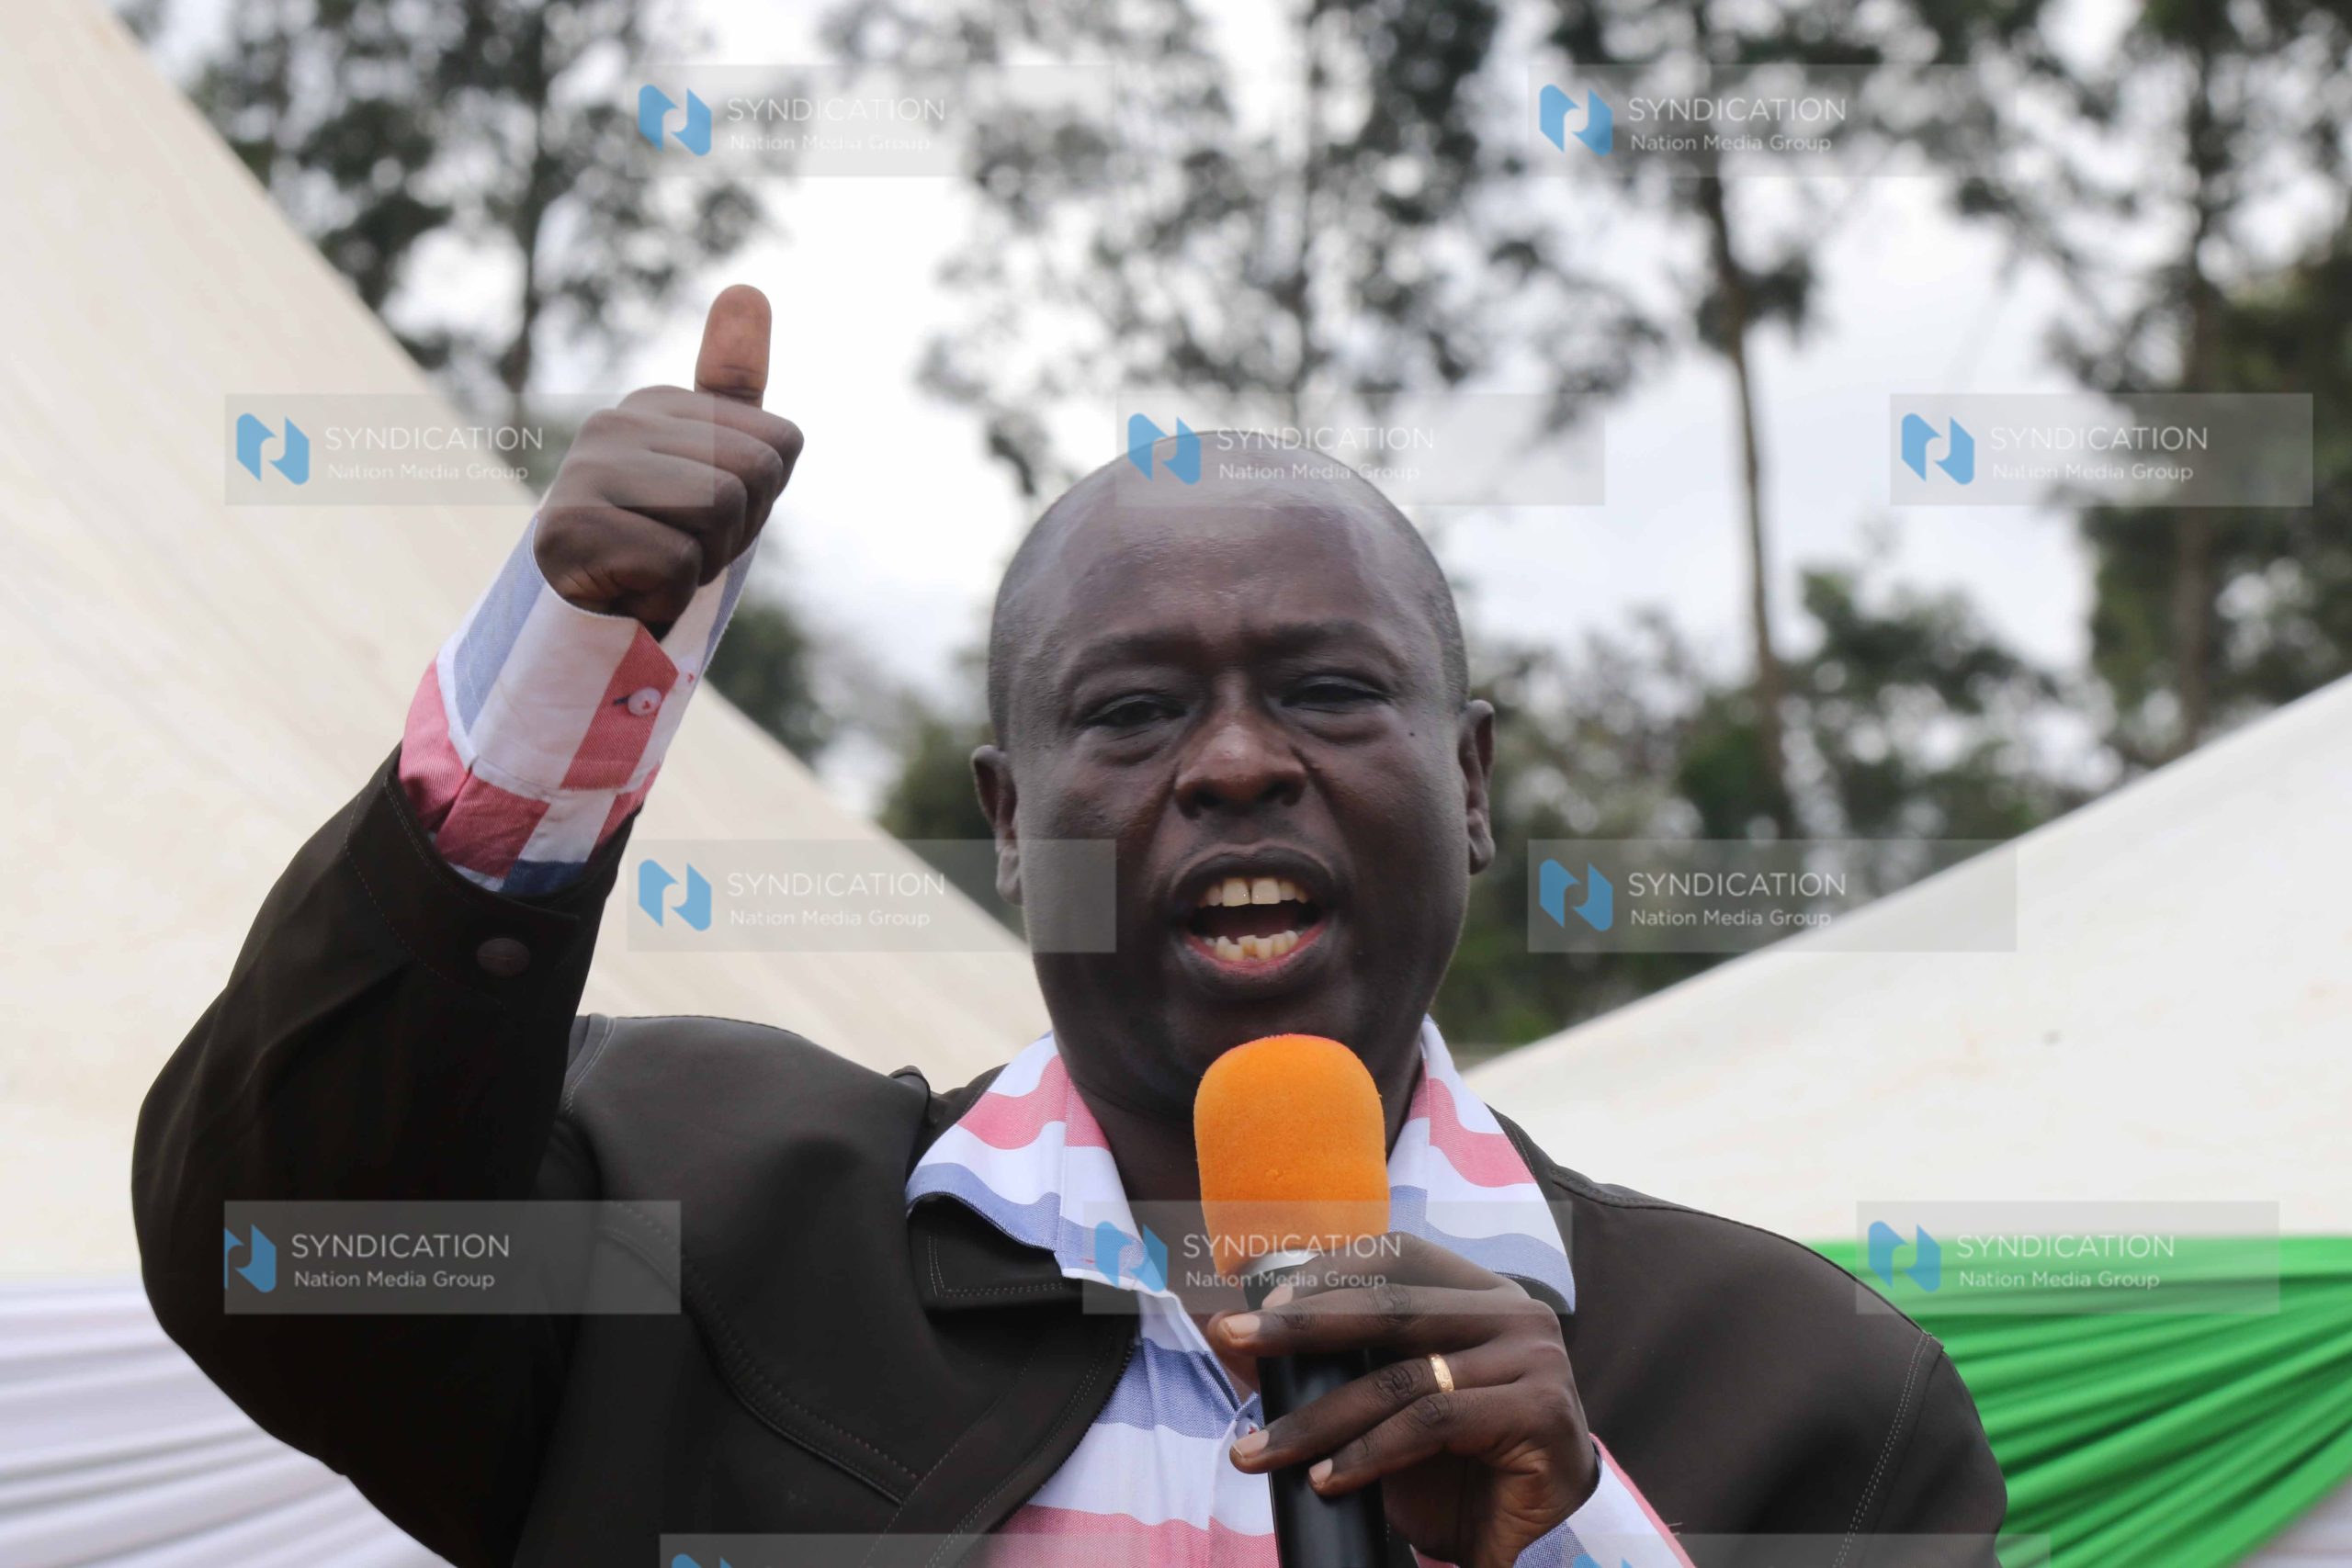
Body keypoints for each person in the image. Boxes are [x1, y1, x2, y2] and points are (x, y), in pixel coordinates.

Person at [135, 287, 2005, 1568]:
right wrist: (558, 682)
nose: (1237, 762)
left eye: (1331, 688)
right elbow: (285, 1246)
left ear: (1474, 782)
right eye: (1129, 711)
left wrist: (1574, 1529)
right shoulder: (698, 1218)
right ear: (1012, 829)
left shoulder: (1806, 1386)